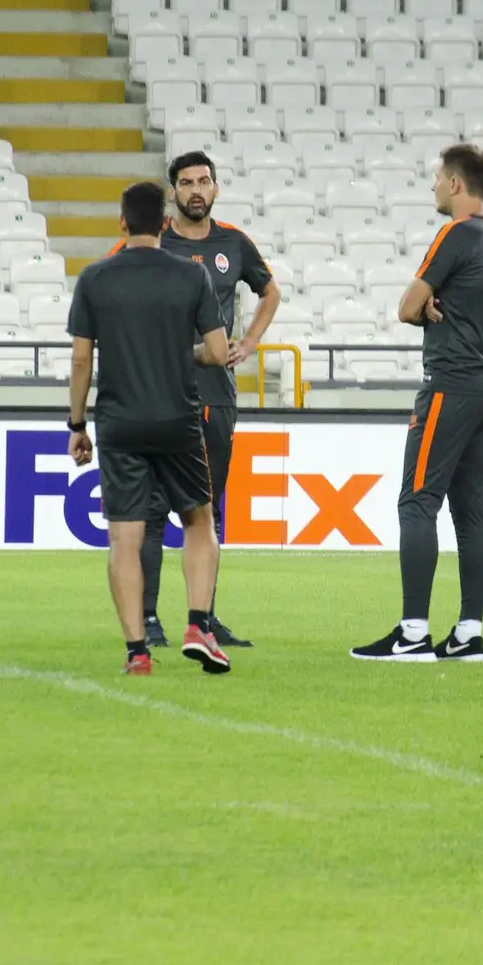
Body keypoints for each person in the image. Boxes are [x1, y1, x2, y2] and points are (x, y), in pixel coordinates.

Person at [352, 144, 483, 664]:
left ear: (454, 184)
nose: (432, 188)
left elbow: (405, 308)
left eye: (436, 178)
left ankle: (413, 633)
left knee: (417, 502)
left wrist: (425, 310)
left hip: (450, 385)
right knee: (471, 511)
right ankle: (469, 632)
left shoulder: (455, 234)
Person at [67, 181, 234, 677]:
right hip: (179, 419)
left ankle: (137, 651)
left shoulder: (95, 278)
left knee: (125, 538)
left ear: (122, 223)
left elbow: (81, 359)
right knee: (199, 521)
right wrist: (182, 355)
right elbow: (220, 353)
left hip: (119, 422)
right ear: (164, 222)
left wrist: (77, 424)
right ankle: (199, 624)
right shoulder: (191, 277)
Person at [138, 151, 282, 650]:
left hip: (217, 396)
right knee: (154, 507)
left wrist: (251, 341)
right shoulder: (155, 243)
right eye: (186, 182)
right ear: (173, 191)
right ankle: (149, 617)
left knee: (207, 510)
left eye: (203, 181)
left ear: (216, 188)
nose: (195, 189)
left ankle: (204, 617)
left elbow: (270, 293)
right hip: (164, 392)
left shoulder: (234, 244)